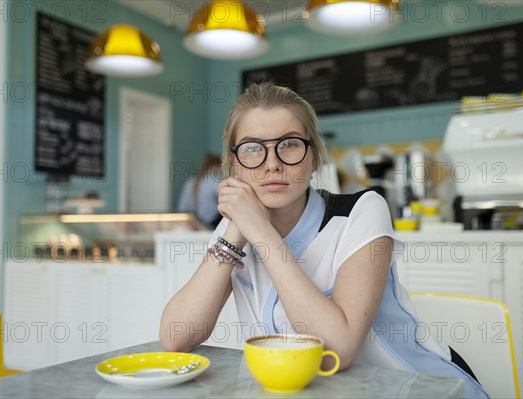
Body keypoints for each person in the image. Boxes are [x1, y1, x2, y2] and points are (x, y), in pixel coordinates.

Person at [160, 83, 488, 399]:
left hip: (422, 387)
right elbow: (175, 337)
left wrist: (260, 231)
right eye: (252, 148)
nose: (271, 163)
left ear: (313, 157)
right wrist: (235, 230)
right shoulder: (235, 231)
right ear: (234, 165)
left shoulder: (362, 211)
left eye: (289, 144)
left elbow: (337, 350)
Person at [177, 153, 222, 228]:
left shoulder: (189, 181)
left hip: (192, 225)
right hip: (211, 225)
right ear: (215, 166)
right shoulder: (216, 181)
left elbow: (182, 208)